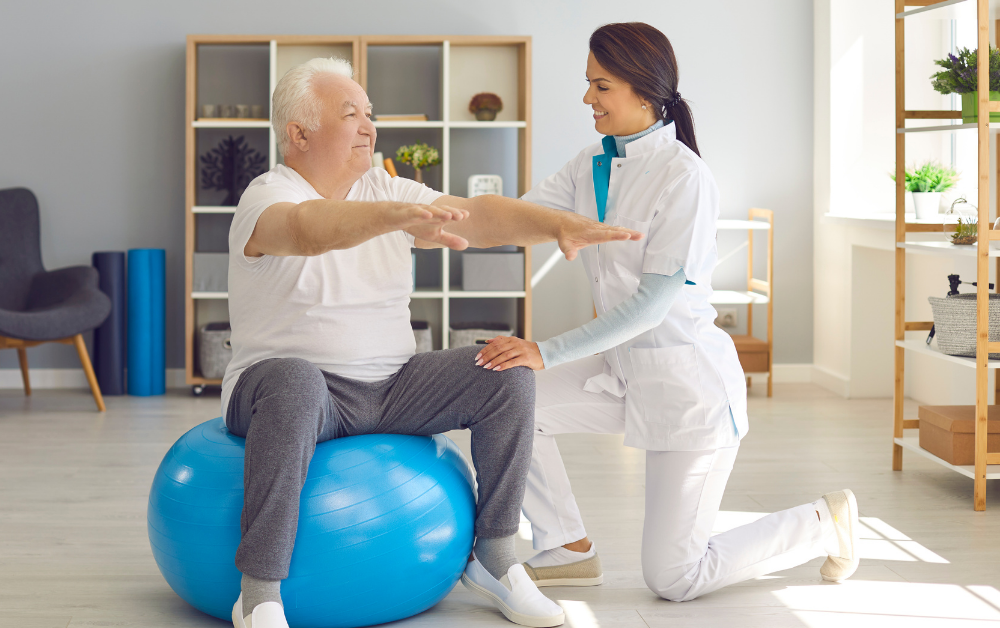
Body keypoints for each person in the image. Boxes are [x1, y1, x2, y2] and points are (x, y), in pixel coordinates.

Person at [223, 57, 642, 628]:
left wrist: (555, 225)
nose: (370, 127)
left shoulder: (388, 186)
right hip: (293, 391)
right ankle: (259, 595)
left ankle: (495, 558)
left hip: (393, 387)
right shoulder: (266, 195)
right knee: (294, 379)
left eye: (370, 114)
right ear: (298, 133)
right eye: (351, 115)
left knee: (506, 365)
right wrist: (395, 216)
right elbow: (307, 230)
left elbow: (479, 216)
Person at [473, 22, 861, 603]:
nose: (587, 100)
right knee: (506, 400)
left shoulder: (685, 177)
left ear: (644, 92)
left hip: (688, 390)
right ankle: (568, 546)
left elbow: (651, 307)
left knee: (674, 578)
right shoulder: (590, 165)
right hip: (622, 374)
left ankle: (823, 523)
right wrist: (417, 214)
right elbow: (511, 217)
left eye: (600, 87)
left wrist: (543, 350)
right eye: (589, 84)